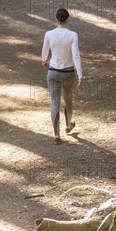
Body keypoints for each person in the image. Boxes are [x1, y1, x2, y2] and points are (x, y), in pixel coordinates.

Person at [41, 8, 83, 144]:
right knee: (68, 99)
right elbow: (76, 55)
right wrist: (80, 74)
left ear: (56, 19)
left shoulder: (49, 34)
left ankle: (56, 135)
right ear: (68, 19)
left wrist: (44, 60)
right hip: (68, 72)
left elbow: (45, 51)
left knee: (54, 103)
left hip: (53, 71)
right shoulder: (73, 35)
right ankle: (69, 125)